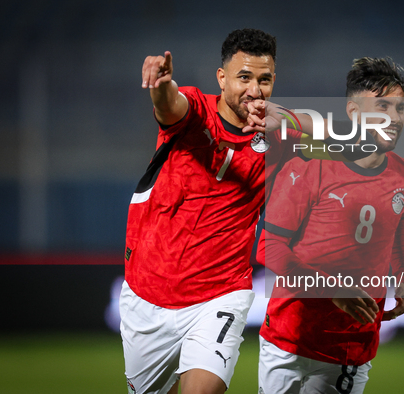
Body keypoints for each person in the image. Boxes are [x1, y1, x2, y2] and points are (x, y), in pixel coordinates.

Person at [120, 28, 304, 394]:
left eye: (264, 80)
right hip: (148, 291)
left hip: (221, 293)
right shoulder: (196, 112)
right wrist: (159, 83)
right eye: (244, 78)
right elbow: (169, 103)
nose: (255, 90)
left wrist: (281, 120)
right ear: (221, 79)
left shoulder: (282, 133)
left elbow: (343, 139)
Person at [256, 57, 404, 394]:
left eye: (400, 108)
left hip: (351, 344)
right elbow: (269, 247)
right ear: (354, 112)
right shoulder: (310, 163)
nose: (394, 118)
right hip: (289, 336)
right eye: (383, 106)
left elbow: (398, 221)